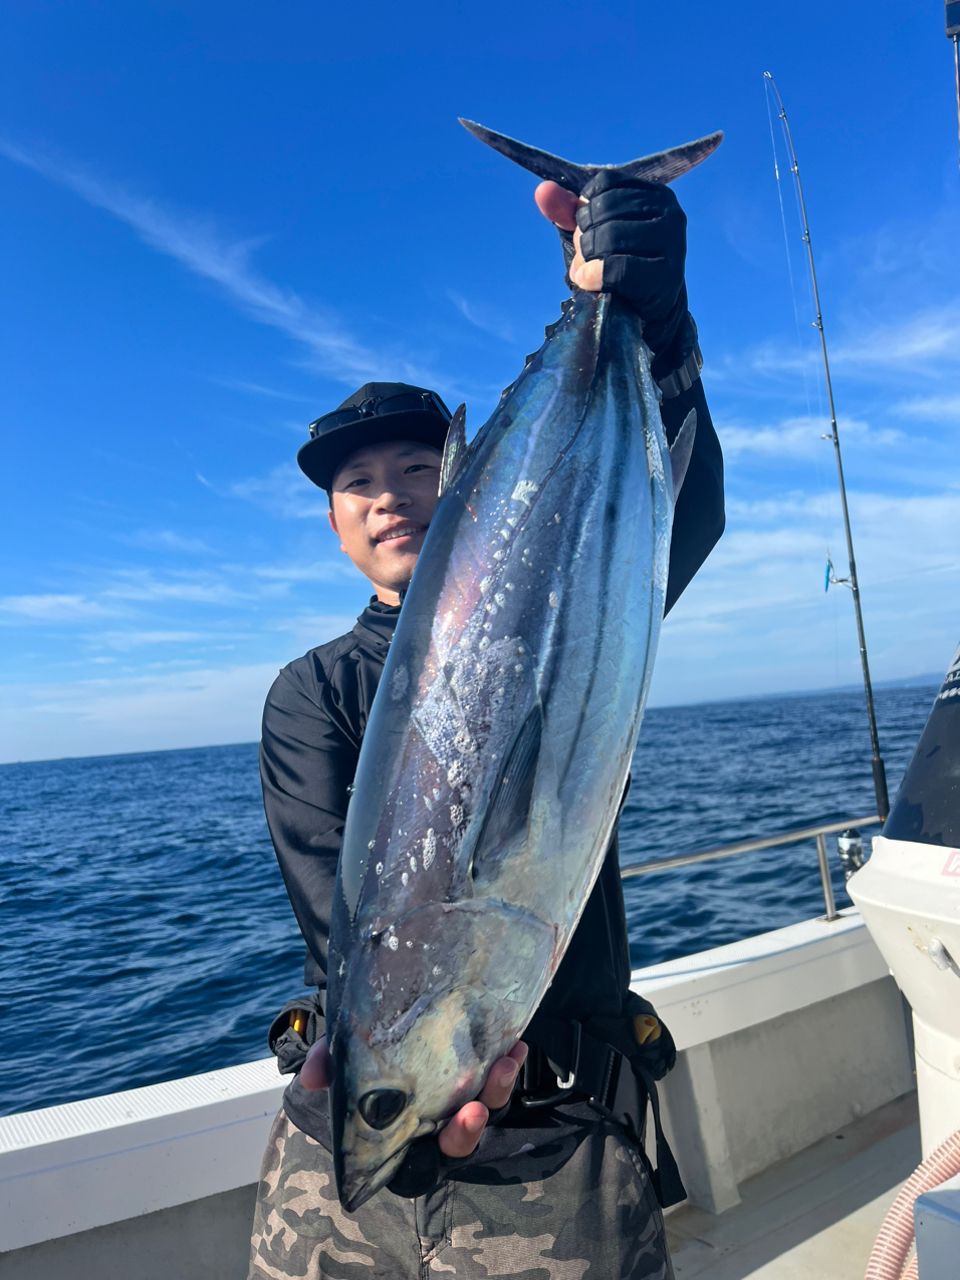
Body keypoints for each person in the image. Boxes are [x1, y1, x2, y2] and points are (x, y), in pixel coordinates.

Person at [248, 174, 724, 1279]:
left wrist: (655, 323)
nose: (389, 495)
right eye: (356, 483)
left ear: (464, 488)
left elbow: (678, 509)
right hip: (357, 1151)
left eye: (418, 468)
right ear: (332, 523)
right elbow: (347, 918)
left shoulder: (566, 598)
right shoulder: (312, 692)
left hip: (560, 1135)